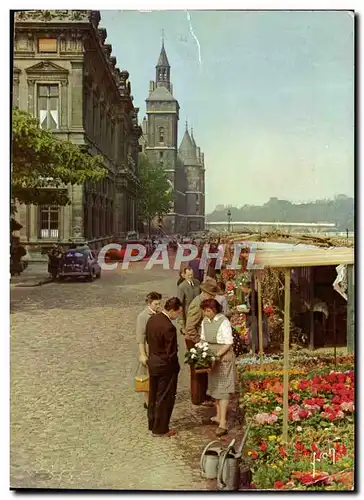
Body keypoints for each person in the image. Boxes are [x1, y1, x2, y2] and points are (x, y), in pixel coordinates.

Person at [146, 297, 183, 437]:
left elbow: (149, 340)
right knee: (164, 397)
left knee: (153, 395)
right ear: (172, 310)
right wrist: (176, 368)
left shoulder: (153, 319)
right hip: (165, 366)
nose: (178, 316)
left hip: (153, 362)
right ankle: (161, 428)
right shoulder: (169, 327)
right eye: (178, 313)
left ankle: (152, 423)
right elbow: (171, 353)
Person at [200, 298, 235, 437]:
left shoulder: (224, 321)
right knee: (215, 387)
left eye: (208, 311)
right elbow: (203, 339)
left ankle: (223, 423)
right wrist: (201, 353)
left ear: (215, 310)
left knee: (223, 388)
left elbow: (228, 343)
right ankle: (218, 416)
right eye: (205, 311)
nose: (206, 313)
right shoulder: (205, 322)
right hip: (211, 356)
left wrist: (216, 355)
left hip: (223, 357)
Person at [184, 279, 220, 406]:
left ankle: (203, 395)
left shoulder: (202, 302)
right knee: (198, 371)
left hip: (198, 340)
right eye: (211, 295)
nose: (213, 297)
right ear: (205, 293)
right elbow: (190, 327)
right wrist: (199, 342)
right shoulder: (197, 304)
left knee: (203, 370)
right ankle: (198, 397)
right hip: (193, 341)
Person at [136, 292, 162, 409]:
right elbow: (140, 337)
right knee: (147, 379)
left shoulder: (159, 314)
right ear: (149, 303)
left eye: (159, 304)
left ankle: (156, 400)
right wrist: (142, 354)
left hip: (158, 350)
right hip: (148, 349)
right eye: (156, 304)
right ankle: (148, 403)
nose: (158, 306)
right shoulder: (143, 316)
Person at [177, 266, 200, 333]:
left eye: (192, 274)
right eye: (188, 275)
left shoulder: (197, 282)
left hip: (198, 311)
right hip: (188, 314)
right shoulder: (182, 287)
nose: (191, 276)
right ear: (184, 275)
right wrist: (181, 319)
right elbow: (180, 304)